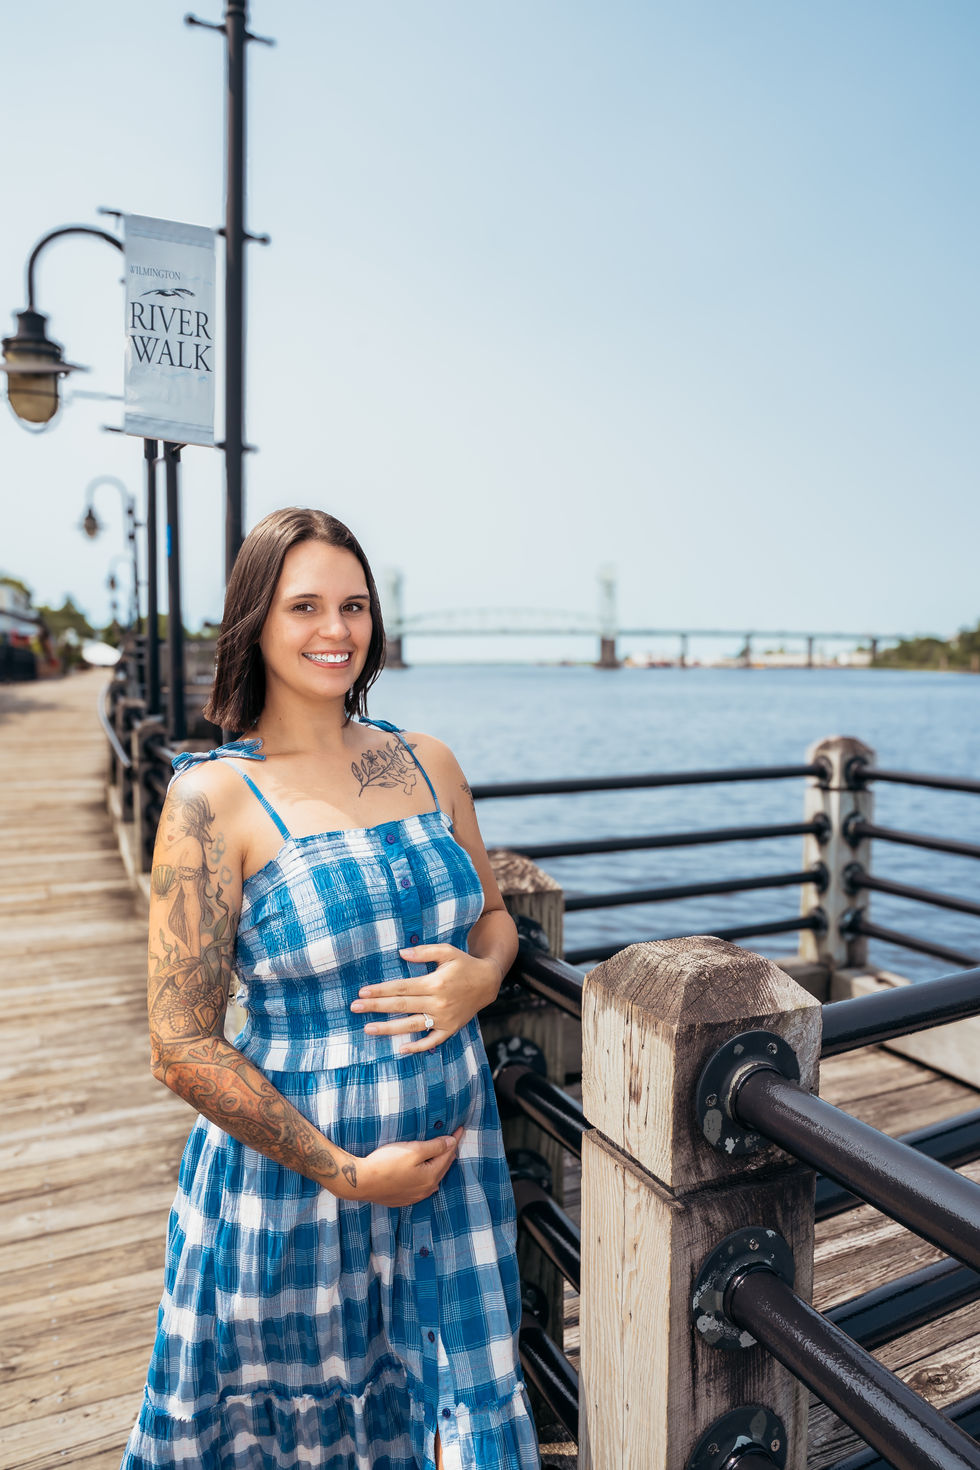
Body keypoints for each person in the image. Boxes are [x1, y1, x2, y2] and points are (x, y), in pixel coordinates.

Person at [120, 507, 541, 1469]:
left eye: (353, 605)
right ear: (255, 623)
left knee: (451, 1418)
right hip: (299, 1186)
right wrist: (348, 1174)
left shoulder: (425, 761)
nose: (335, 630)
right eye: (304, 605)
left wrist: (483, 976)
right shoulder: (210, 799)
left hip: (450, 1173)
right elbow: (179, 1043)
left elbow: (490, 911)